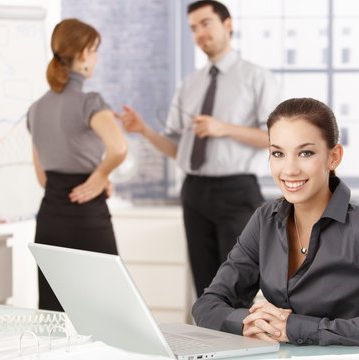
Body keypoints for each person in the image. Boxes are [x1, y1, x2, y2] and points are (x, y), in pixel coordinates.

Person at [192, 98, 359, 348]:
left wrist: (297, 328)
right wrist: (250, 322)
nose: (289, 169)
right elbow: (207, 306)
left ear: (333, 157)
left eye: (306, 153)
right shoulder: (264, 221)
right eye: (278, 153)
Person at [120, 0, 280, 298]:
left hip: (236, 192)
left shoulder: (257, 78)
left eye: (206, 23)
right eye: (193, 28)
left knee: (237, 288)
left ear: (227, 24)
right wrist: (144, 130)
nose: (199, 33)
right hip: (194, 192)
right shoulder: (189, 85)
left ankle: (241, 346)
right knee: (206, 290)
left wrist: (224, 128)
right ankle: (210, 344)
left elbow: (275, 139)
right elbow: (177, 150)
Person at [27, 18, 128, 311]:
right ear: (84, 53)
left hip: (49, 218)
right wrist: (100, 176)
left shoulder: (35, 109)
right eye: (95, 50)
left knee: (53, 311)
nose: (96, 58)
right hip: (87, 216)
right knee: (108, 306)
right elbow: (119, 147)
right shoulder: (90, 101)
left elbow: (42, 177)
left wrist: (96, 177)